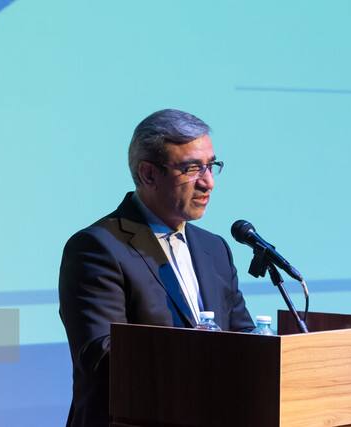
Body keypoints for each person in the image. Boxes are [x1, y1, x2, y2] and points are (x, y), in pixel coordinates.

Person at [58, 109, 254, 427]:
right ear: (149, 174)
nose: (208, 182)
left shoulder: (214, 249)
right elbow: (104, 358)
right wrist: (204, 364)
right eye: (192, 169)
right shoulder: (97, 247)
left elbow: (245, 336)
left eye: (211, 165)